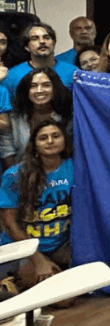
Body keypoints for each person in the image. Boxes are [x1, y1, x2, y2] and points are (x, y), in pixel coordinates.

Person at [0, 119, 73, 288]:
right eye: (43, 138)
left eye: (56, 136)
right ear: (34, 145)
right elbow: (10, 225)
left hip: (59, 246)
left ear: (64, 139)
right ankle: (9, 282)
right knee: (60, 296)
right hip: (23, 248)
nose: (50, 141)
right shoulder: (15, 175)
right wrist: (38, 259)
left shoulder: (75, 167)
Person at [0, 68, 69, 170]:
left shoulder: (68, 117)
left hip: (63, 175)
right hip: (22, 175)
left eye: (46, 85)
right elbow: (7, 153)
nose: (39, 90)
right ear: (26, 90)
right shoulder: (14, 118)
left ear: (55, 88)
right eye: (33, 86)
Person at [4, 23, 77, 97]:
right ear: (27, 47)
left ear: (54, 43)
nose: (42, 41)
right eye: (35, 39)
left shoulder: (73, 72)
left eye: (47, 38)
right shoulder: (13, 76)